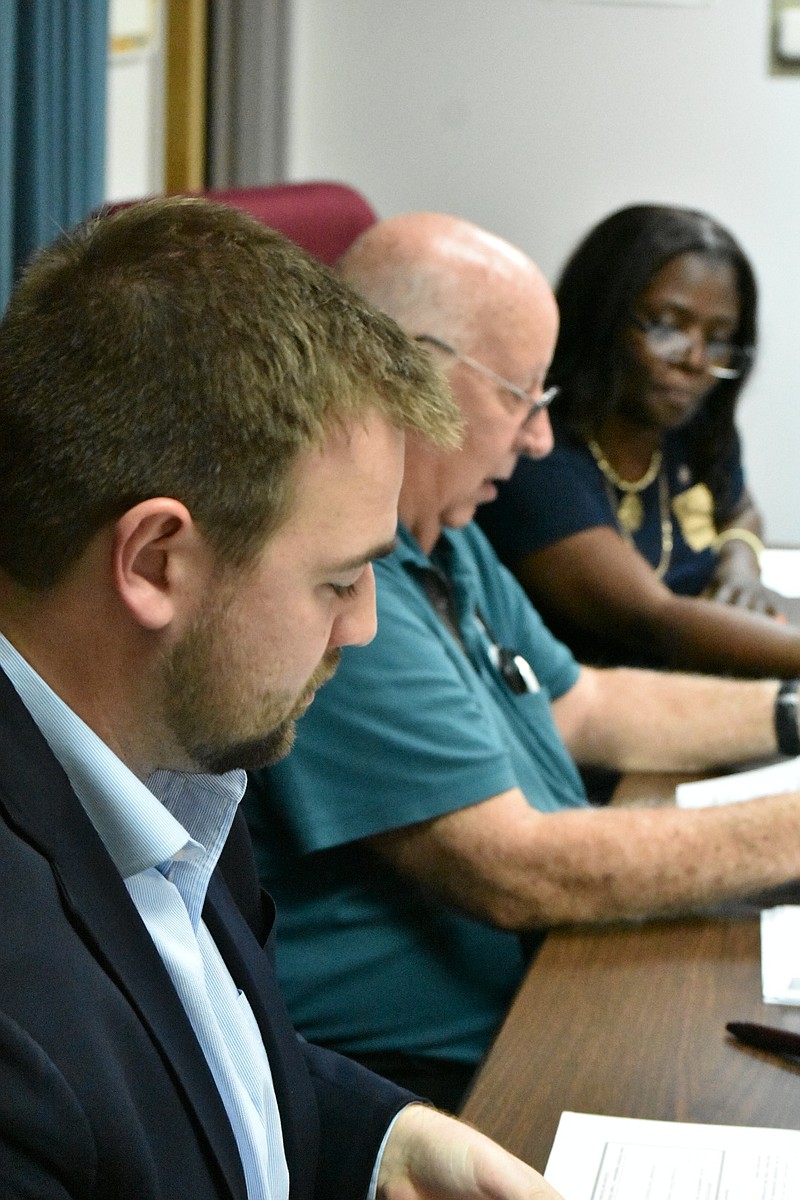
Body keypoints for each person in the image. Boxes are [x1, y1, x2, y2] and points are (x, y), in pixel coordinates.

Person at [0, 198, 565, 1200]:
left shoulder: (169, 754)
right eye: (338, 580)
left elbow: (191, 1059)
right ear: (156, 561)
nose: (363, 628)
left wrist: (386, 1139)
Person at [244, 211, 800, 1114]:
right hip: (428, 1084)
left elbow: (587, 705)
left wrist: (790, 712)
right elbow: (514, 865)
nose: (541, 440)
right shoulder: (336, 582)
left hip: (544, 991)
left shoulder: (445, 532)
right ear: (408, 374)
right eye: (521, 397)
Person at [477, 203, 800, 674]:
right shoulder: (536, 453)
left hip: (715, 670)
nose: (695, 359)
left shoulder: (691, 422)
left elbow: (740, 508)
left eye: (719, 337)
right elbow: (654, 621)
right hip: (615, 702)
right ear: (601, 315)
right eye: (667, 326)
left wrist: (740, 563)